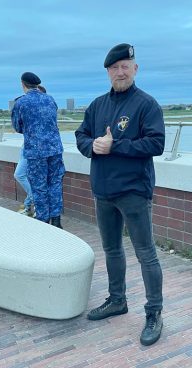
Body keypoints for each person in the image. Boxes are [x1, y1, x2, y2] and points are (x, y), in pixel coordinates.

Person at [75, 43, 165, 346]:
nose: (120, 72)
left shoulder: (146, 104)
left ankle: (154, 312)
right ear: (108, 72)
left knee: (146, 253)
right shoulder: (98, 105)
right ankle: (117, 300)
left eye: (125, 66)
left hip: (133, 192)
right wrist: (92, 146)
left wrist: (116, 146)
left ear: (135, 69)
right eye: (114, 68)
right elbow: (81, 135)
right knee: (111, 249)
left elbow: (156, 144)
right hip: (103, 191)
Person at [11, 72, 65, 228]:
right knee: (55, 183)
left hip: (35, 151)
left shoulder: (21, 103)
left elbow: (17, 127)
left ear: (23, 84)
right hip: (55, 149)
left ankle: (43, 220)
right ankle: (56, 220)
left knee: (39, 186)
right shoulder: (50, 99)